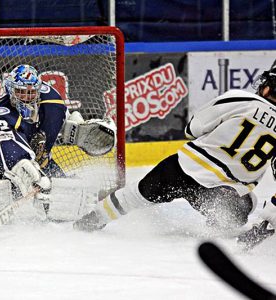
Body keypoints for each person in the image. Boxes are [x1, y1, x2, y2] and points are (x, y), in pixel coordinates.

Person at [74, 65, 276, 232]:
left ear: (266, 89)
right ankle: (219, 228)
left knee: (135, 195)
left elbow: (193, 128)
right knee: (247, 204)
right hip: (222, 192)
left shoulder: (241, 99)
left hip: (183, 168)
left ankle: (88, 222)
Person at [0, 64, 116, 217]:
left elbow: (68, 122)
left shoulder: (52, 102)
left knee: (64, 201)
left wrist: (79, 128)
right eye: (20, 92)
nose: (26, 98)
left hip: (39, 161)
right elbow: (12, 154)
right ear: (10, 90)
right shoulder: (0, 115)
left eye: (31, 93)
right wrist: (32, 176)